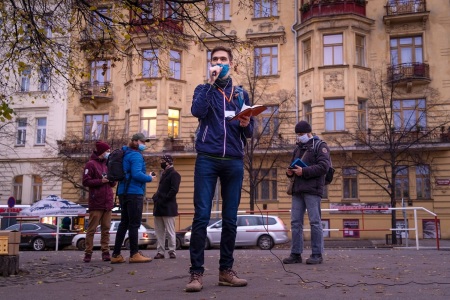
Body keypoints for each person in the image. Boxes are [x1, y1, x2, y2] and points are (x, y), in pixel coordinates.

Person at [186, 46, 253, 292]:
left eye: (223, 59)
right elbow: (197, 111)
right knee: (201, 216)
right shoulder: (203, 90)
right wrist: (211, 85)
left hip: (234, 160)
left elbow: (250, 131)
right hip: (207, 158)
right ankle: (196, 274)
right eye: (215, 59)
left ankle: (226, 271)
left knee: (230, 219)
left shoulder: (240, 94)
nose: (219, 62)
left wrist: (246, 123)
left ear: (231, 64)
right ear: (210, 64)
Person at [283, 121, 331, 265]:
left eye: (301, 134)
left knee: (315, 222)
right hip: (297, 190)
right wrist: (290, 172)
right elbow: (293, 166)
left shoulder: (320, 146)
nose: (299, 137)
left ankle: (317, 254)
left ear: (309, 133)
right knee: (295, 222)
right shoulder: (297, 149)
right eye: (297, 134)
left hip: (312, 190)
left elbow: (324, 167)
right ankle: (296, 254)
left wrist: (304, 171)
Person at [110, 133, 156, 264]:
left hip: (123, 192)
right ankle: (134, 254)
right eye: (142, 142)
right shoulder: (136, 155)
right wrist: (149, 178)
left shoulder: (125, 153)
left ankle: (116, 254)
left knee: (124, 223)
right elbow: (136, 174)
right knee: (134, 224)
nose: (144, 144)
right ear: (135, 142)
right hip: (134, 192)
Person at [82, 141, 116, 263]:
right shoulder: (90, 164)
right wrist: (100, 181)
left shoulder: (108, 164)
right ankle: (88, 252)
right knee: (92, 229)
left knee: (106, 229)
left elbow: (112, 183)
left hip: (107, 202)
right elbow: (86, 181)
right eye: (107, 151)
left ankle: (105, 251)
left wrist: (112, 179)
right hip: (96, 202)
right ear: (102, 152)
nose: (109, 153)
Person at [152, 154, 181, 259]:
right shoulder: (164, 173)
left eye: (163, 160)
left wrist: (163, 199)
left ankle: (172, 251)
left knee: (169, 230)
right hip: (159, 206)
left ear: (168, 162)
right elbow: (161, 189)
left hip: (168, 207)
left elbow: (174, 190)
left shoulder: (174, 174)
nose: (161, 162)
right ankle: (160, 251)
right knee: (159, 231)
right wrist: (155, 197)